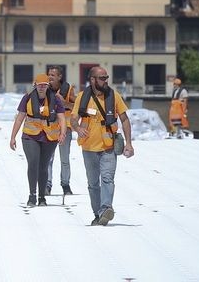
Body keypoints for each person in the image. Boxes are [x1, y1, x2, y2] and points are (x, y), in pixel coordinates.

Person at [72, 66, 134, 226]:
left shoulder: (114, 96)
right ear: (92, 80)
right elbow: (73, 119)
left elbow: (125, 119)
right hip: (88, 148)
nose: (106, 80)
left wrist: (129, 143)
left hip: (108, 146)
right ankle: (98, 214)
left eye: (106, 77)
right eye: (102, 78)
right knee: (93, 184)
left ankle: (106, 208)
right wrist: (78, 129)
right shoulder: (82, 97)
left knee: (107, 178)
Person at [10, 73, 66, 206]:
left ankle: (42, 196)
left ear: (48, 86)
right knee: (33, 163)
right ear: (35, 85)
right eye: (39, 85)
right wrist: (13, 137)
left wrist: (62, 133)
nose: (41, 88)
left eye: (44, 85)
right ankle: (32, 195)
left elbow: (62, 117)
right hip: (30, 135)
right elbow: (20, 118)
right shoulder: (28, 98)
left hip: (49, 137)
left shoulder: (55, 99)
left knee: (43, 166)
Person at [45, 65, 75, 196]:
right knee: (48, 159)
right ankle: (47, 184)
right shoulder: (44, 89)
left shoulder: (68, 90)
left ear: (59, 77)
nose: (50, 77)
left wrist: (65, 103)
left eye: (53, 75)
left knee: (64, 158)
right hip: (49, 128)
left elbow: (77, 106)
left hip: (65, 129)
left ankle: (65, 184)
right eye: (49, 74)